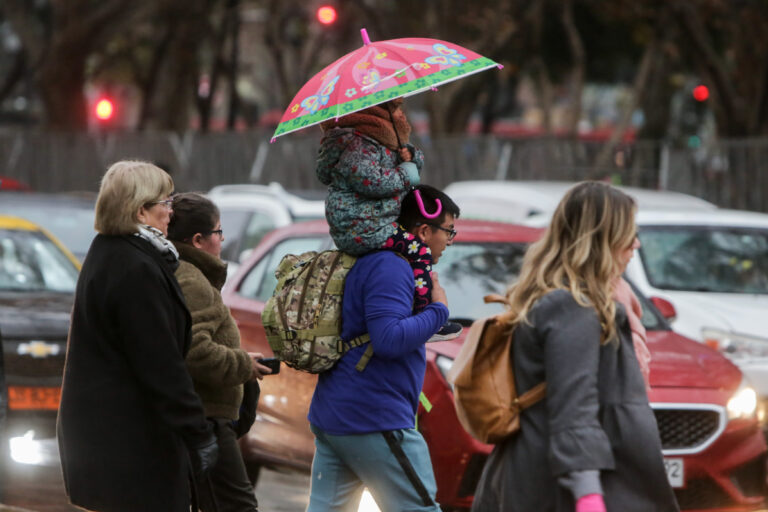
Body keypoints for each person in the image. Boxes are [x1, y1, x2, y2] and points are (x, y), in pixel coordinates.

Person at [471, 181, 679, 512]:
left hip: (550, 476)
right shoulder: (572, 306)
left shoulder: (565, 300)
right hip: (562, 488)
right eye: (628, 233)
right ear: (602, 238)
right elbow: (574, 405)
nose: (636, 244)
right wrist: (588, 495)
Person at [57, 161, 218, 512]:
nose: (170, 212)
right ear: (141, 210)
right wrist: (198, 432)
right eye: (165, 202)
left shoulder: (110, 251)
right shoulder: (135, 268)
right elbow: (160, 363)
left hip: (107, 440)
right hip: (130, 446)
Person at [306, 185, 460, 512]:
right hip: (374, 417)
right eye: (448, 231)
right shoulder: (390, 267)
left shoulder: (381, 262)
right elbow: (387, 339)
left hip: (339, 413)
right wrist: (439, 310)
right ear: (423, 230)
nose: (449, 240)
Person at [316, 98, 461, 341]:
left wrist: (410, 154)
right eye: (395, 110)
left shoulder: (376, 143)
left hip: (371, 224)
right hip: (364, 226)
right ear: (376, 115)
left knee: (415, 252)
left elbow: (407, 164)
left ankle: (422, 313)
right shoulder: (357, 145)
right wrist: (406, 174)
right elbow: (372, 181)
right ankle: (427, 315)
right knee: (419, 251)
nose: (402, 116)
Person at [167, 192, 271, 512]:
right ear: (198, 240)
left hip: (205, 416)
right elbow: (194, 350)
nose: (222, 240)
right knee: (236, 506)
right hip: (207, 419)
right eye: (218, 232)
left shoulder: (188, 274)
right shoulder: (191, 280)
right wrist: (242, 364)